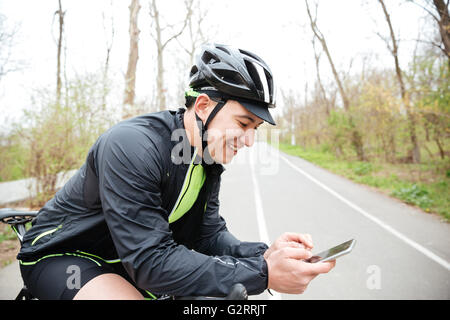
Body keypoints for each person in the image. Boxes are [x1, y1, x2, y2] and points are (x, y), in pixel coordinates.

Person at [17, 43, 335, 300]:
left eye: (256, 129)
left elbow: (208, 235)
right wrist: (263, 274)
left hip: (126, 260)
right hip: (66, 256)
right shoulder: (133, 145)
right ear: (203, 107)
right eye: (243, 124)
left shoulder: (207, 160)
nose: (250, 141)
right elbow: (150, 263)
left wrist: (268, 256)